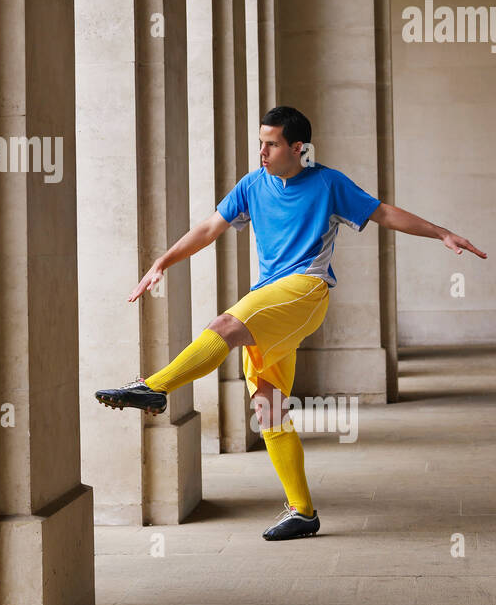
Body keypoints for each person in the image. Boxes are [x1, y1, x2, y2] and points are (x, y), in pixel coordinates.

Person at [95, 105, 487, 541]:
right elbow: (209, 228)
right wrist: (162, 262)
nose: (262, 152)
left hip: (305, 289)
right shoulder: (252, 184)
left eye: (271, 144)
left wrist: (442, 233)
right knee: (268, 406)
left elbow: (385, 213)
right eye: (260, 142)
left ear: (298, 148)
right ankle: (302, 511)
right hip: (272, 301)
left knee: (225, 325)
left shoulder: (328, 182)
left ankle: (155, 388)